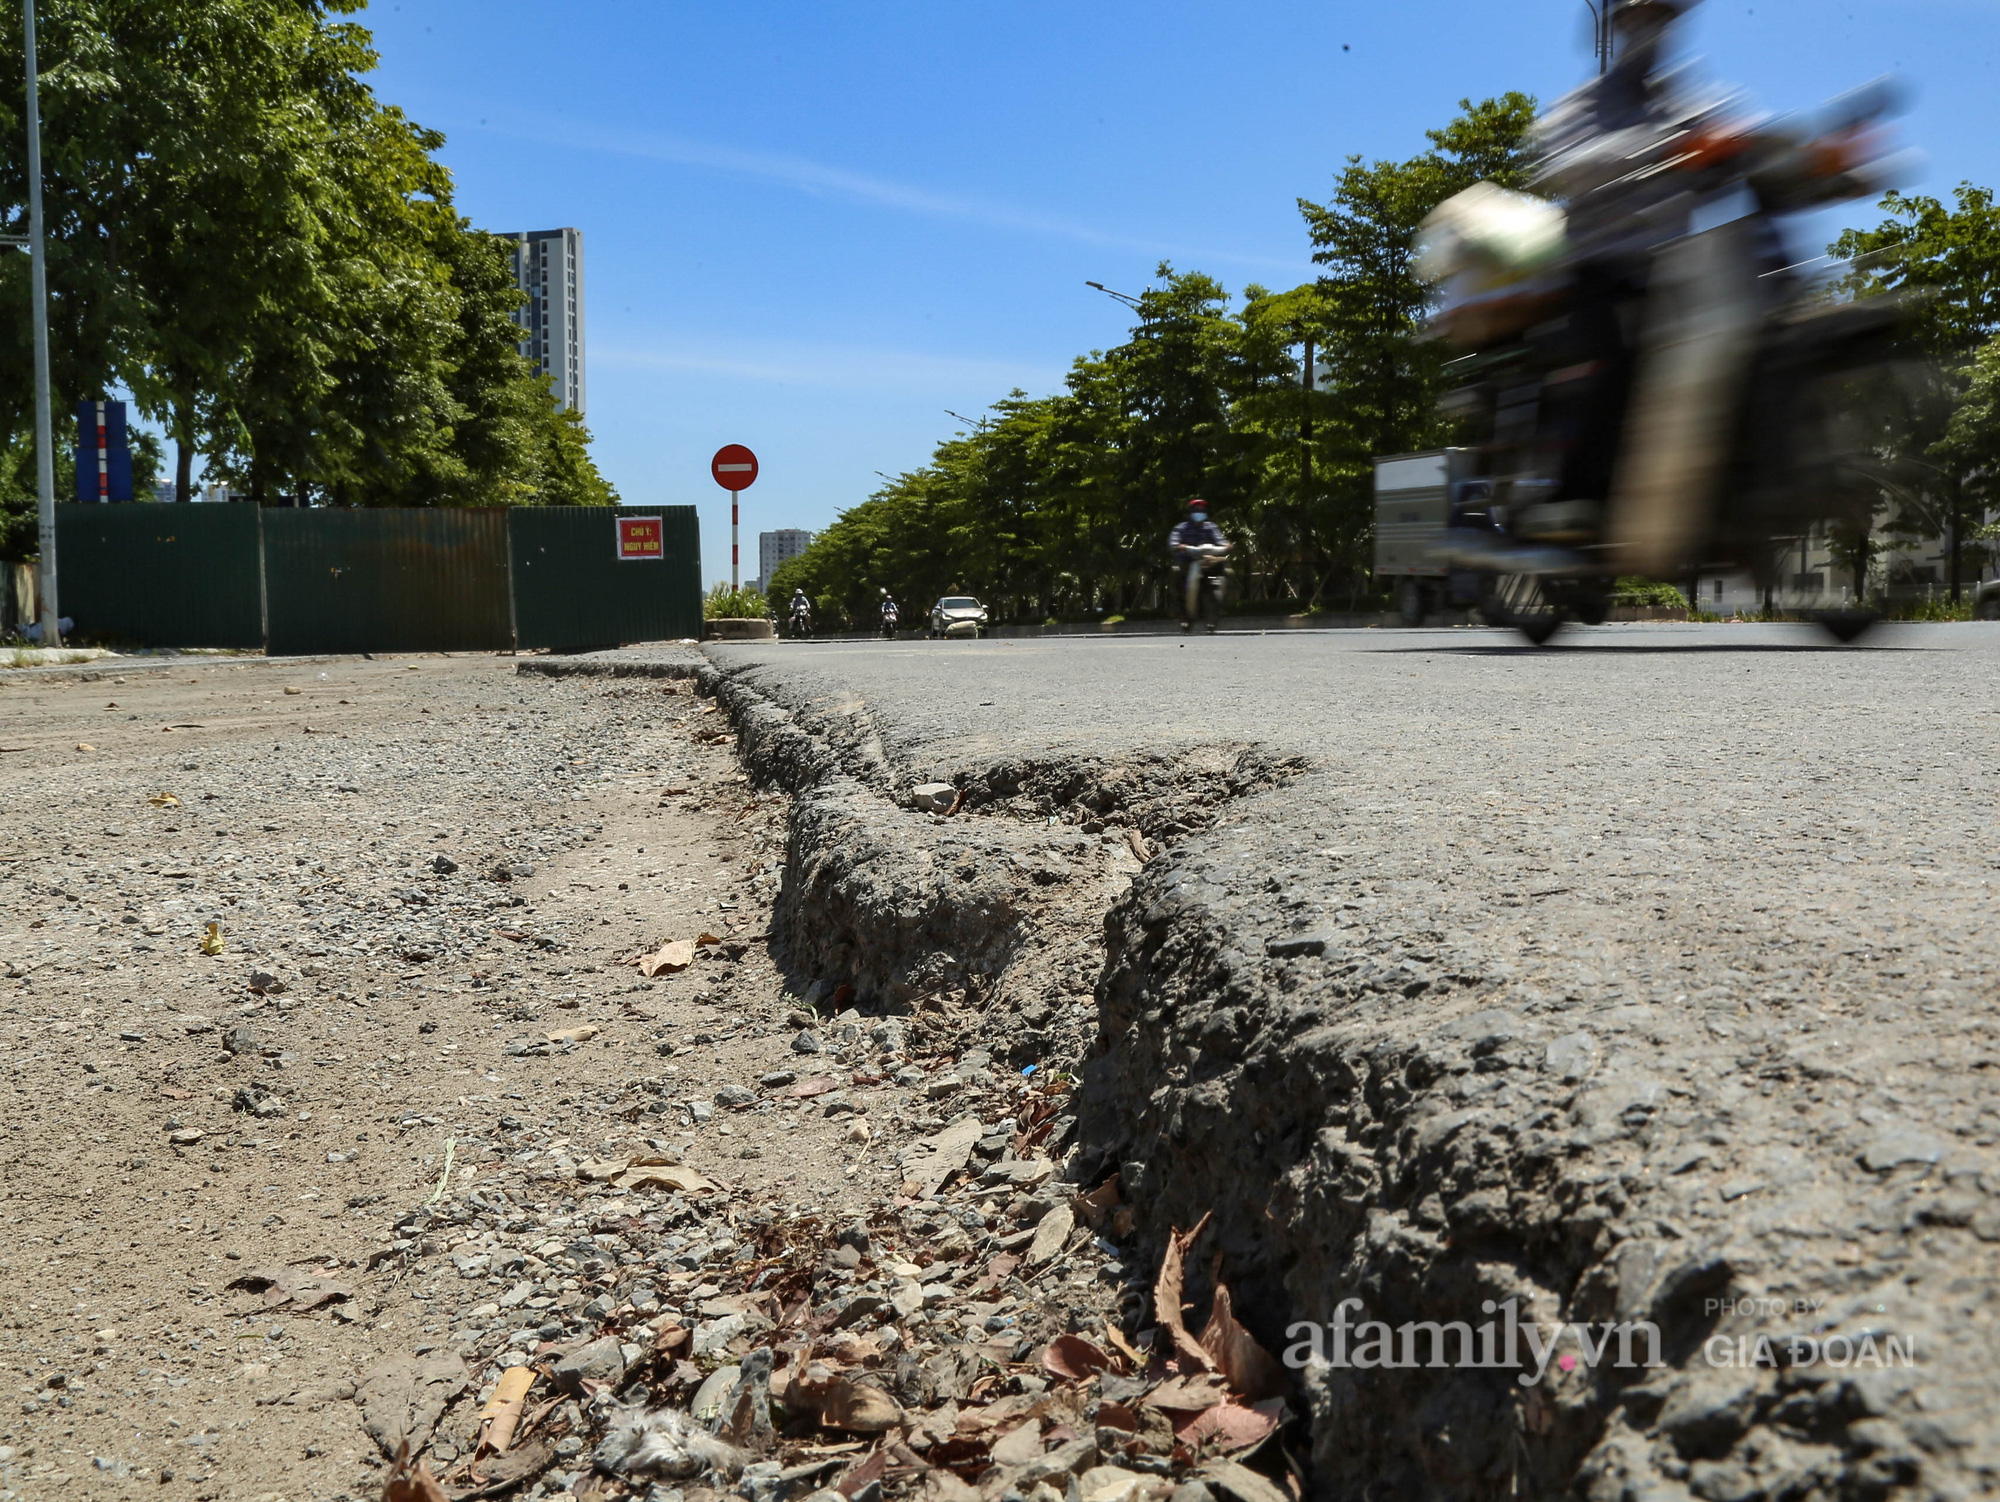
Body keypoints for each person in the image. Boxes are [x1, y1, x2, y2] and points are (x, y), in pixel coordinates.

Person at [1168, 499, 1229, 630]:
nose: (1199, 513)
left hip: (1207, 559)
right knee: (1175, 572)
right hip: (1187, 561)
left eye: (1202, 511)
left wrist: (1226, 546)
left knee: (1228, 572)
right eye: (1196, 511)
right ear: (1190, 512)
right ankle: (1178, 607)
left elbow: (1220, 540)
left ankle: (1222, 604)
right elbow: (1173, 543)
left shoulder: (1211, 527)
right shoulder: (1181, 528)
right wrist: (1180, 546)